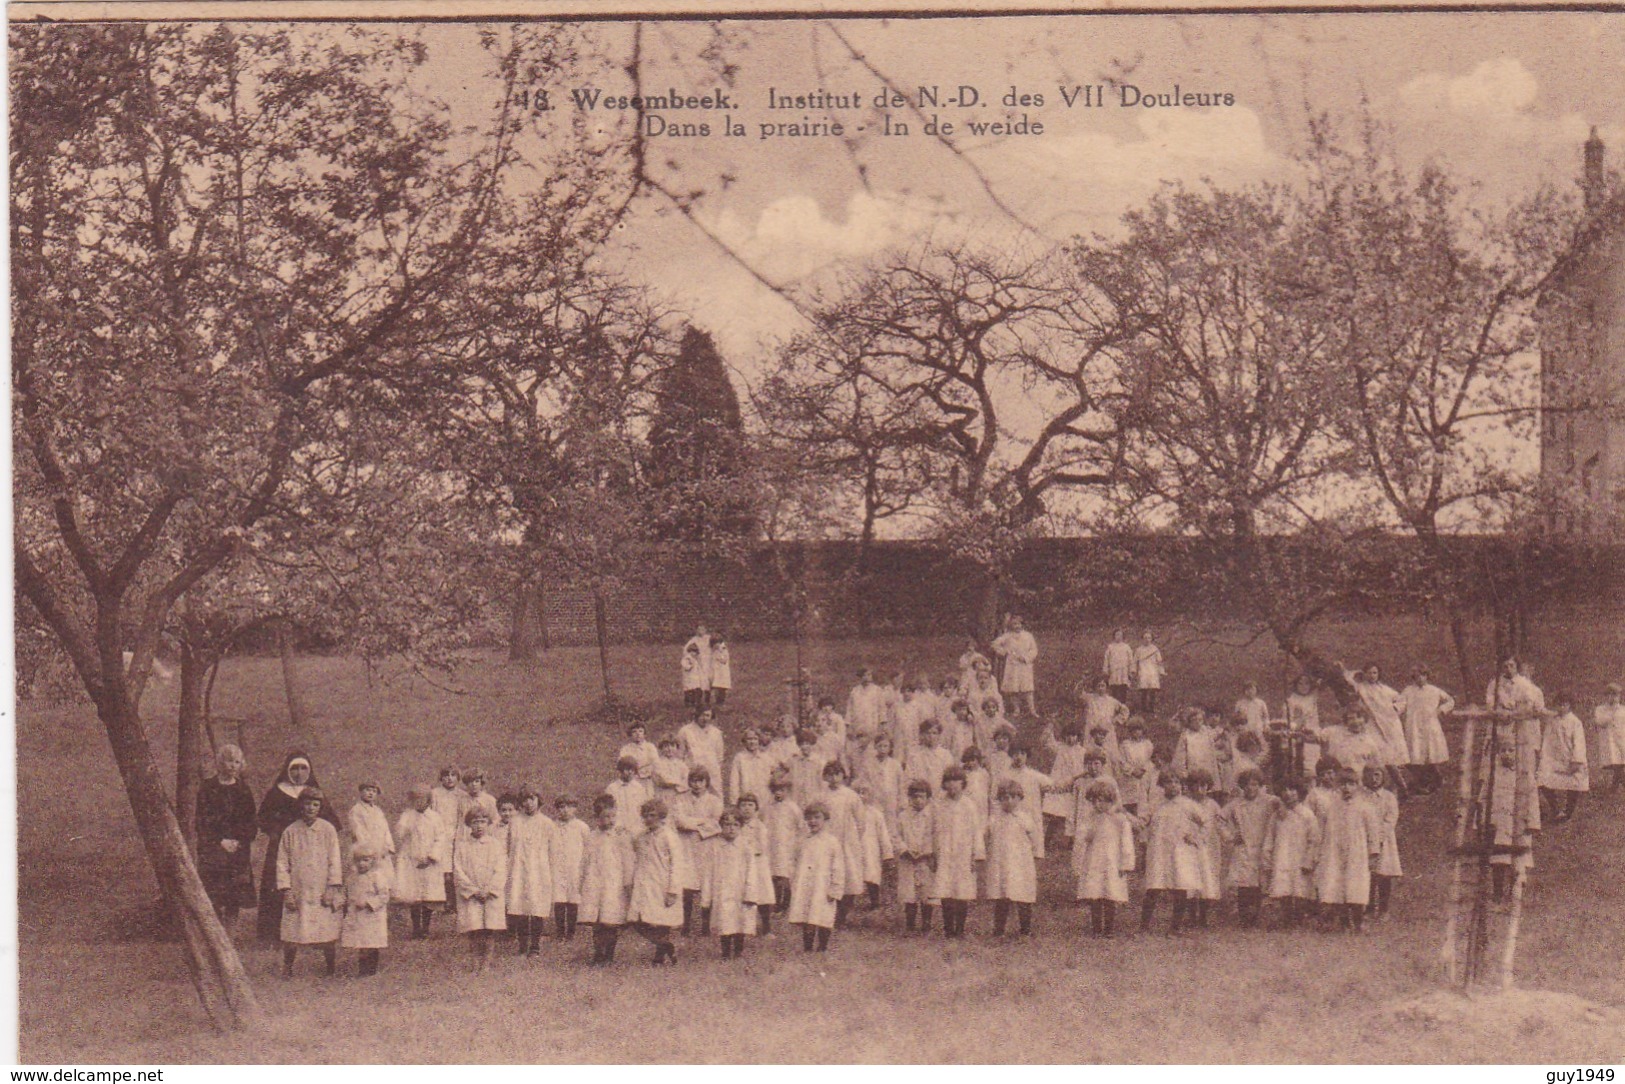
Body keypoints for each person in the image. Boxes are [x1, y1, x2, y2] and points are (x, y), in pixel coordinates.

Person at [257, 752, 338, 944]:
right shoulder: (277, 792)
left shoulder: (314, 793)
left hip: (311, 848)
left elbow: (331, 821)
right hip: (281, 847)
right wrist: (277, 831)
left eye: (303, 768)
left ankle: (316, 934)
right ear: (287, 770)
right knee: (279, 885)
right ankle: (273, 935)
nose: (299, 773)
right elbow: (263, 818)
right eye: (294, 768)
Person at [276, 786, 345, 977]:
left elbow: (335, 860)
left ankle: (330, 967)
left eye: (316, 805)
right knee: (292, 930)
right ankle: (288, 967)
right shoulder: (290, 831)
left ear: (320, 807)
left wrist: (333, 886)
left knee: (326, 931)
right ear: (300, 805)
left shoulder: (327, 830)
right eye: (307, 804)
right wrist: (286, 890)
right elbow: (282, 863)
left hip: (321, 888)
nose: (311, 808)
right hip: (298, 888)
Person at [195, 744, 256, 926]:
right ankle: (215, 932)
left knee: (233, 896)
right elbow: (201, 820)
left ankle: (230, 935)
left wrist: (238, 840)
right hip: (213, 848)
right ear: (220, 762)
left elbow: (251, 821)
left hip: (237, 850)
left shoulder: (243, 790)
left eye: (237, 762)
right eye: (229, 761)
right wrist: (219, 840)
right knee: (213, 894)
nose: (233, 766)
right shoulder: (207, 788)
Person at [1315, 768, 1380, 933]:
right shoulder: (1331, 807)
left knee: (1356, 886)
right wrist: (1319, 851)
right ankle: (1343, 922)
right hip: (1334, 851)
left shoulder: (1365, 807)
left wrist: (1373, 853)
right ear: (1338, 786)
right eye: (1343, 784)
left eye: (1351, 784)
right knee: (1338, 886)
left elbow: (1373, 833)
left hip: (1357, 852)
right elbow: (1321, 829)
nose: (1347, 788)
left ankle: (1358, 922)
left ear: (1357, 786)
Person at [629, 798, 690, 966]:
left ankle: (659, 956)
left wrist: (673, 890)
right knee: (638, 921)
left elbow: (677, 864)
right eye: (646, 816)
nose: (649, 819)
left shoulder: (669, 837)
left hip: (663, 884)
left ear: (661, 816)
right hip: (645, 883)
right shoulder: (641, 837)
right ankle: (667, 946)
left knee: (663, 923)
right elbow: (633, 850)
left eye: (653, 815)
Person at [1073, 779, 1135, 937]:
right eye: (1094, 801)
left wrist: (1125, 864)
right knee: (1095, 895)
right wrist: (1089, 834)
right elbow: (1082, 837)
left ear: (1110, 800)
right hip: (1094, 861)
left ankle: (1109, 929)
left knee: (1110, 894)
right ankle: (1096, 928)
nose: (1098, 805)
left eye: (1102, 801)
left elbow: (1126, 842)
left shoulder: (1119, 820)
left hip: (1113, 861)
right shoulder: (1090, 818)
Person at [580, 795, 636, 966]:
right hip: (595, 883)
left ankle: (609, 955)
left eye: (612, 816)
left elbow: (628, 860)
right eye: (605, 817)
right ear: (597, 818)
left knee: (611, 921)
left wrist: (628, 883)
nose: (609, 820)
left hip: (614, 884)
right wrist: (582, 880)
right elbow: (585, 860)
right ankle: (598, 953)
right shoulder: (592, 836)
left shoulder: (621, 836)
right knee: (597, 922)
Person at [932, 766, 985, 939]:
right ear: (944, 784)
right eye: (949, 781)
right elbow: (935, 830)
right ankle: (948, 928)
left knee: (962, 890)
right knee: (945, 889)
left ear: (963, 784)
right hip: (945, 850)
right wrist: (935, 853)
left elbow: (976, 831)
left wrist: (975, 855)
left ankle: (960, 928)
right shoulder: (940, 804)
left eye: (957, 781)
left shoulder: (969, 805)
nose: (953, 785)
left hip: (964, 852)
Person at [985, 780, 1043, 936]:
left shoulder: (1024, 818)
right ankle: (999, 930)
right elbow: (987, 836)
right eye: (1004, 797)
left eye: (1012, 797)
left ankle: (1025, 930)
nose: (1008, 801)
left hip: (1021, 863)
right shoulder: (994, 819)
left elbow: (1035, 840)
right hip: (1001, 862)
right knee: (1001, 896)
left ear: (1019, 798)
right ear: (999, 800)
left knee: (1023, 896)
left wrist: (1035, 855)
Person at [455, 806, 507, 971]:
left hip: (490, 894)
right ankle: (474, 962)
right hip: (471, 895)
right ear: (469, 824)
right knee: (474, 928)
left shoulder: (495, 845)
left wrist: (490, 889)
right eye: (475, 822)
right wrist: (473, 891)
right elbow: (458, 870)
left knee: (489, 929)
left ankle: (486, 964)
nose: (479, 826)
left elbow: (501, 869)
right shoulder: (462, 846)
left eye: (483, 822)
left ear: (489, 823)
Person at [788, 801, 845, 953]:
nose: (813, 821)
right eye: (809, 818)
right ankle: (807, 947)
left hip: (823, 886)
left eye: (817, 817)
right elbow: (794, 862)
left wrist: (835, 887)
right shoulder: (802, 841)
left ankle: (822, 947)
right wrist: (793, 881)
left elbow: (838, 867)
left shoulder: (832, 842)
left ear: (825, 820)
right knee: (807, 915)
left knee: (823, 915)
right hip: (805, 884)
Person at [1223, 769, 1277, 928]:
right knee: (1244, 882)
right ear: (1242, 787)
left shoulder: (1268, 801)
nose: (1250, 788)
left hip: (1262, 845)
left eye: (1254, 784)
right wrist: (1231, 835)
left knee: (1260, 881)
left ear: (1260, 786)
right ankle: (1244, 918)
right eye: (1246, 785)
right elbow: (1219, 819)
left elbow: (1283, 806)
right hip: (1244, 847)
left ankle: (1256, 916)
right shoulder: (1236, 804)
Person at [1262, 779, 1320, 928]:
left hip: (1300, 857)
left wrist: (1309, 859)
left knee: (1300, 888)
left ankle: (1300, 919)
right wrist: (1267, 858)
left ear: (1299, 792)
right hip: (1282, 856)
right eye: (1285, 790)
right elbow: (1270, 837)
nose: (1288, 794)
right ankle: (1285, 920)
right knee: (1284, 888)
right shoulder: (1277, 816)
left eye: (1292, 790)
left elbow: (1314, 840)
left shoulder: (1307, 815)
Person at [672, 767, 723, 936]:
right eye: (694, 781)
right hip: (686, 846)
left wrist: (694, 824)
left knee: (706, 885)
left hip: (707, 845)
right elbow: (679, 821)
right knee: (687, 885)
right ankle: (685, 924)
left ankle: (705, 925)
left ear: (707, 783)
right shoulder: (680, 799)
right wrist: (701, 822)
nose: (697, 785)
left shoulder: (714, 801)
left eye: (701, 781)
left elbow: (716, 823)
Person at [506, 787, 555, 957]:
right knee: (519, 908)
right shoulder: (514, 821)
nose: (529, 803)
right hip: (518, 868)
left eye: (532, 798)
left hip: (538, 870)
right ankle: (522, 945)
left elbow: (552, 850)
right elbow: (508, 847)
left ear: (538, 800)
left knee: (536, 907)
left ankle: (535, 946)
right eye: (525, 799)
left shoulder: (547, 823)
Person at [393, 785, 447, 940]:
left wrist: (432, 856)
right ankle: (416, 927)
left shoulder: (435, 817)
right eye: (415, 800)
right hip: (411, 861)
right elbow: (399, 835)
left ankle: (426, 927)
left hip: (429, 862)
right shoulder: (407, 816)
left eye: (422, 799)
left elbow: (441, 838)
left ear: (428, 800)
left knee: (428, 896)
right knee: (414, 896)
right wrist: (405, 826)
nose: (419, 802)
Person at [705, 810, 758, 959]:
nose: (731, 828)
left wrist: (750, 892)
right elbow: (709, 872)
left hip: (740, 891)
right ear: (721, 826)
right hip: (722, 890)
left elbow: (751, 871)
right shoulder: (715, 846)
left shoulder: (746, 847)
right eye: (727, 824)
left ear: (741, 827)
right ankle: (726, 952)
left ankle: (738, 951)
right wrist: (707, 897)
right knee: (724, 921)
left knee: (740, 921)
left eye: (735, 825)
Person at [1398, 667, 1454, 794]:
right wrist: (1396, 710)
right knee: (1415, 755)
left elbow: (1450, 700)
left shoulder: (1434, 690)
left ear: (1427, 676)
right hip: (1414, 725)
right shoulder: (1408, 691)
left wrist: (1442, 709)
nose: (1420, 678)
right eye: (1417, 676)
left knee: (1431, 753)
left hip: (1430, 724)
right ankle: (1423, 781)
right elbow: (1401, 704)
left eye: (1423, 675)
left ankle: (1434, 780)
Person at [341, 842, 391, 977]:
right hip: (357, 916)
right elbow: (346, 892)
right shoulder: (352, 878)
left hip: (372, 916)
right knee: (361, 943)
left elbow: (384, 895)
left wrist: (369, 903)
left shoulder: (377, 876)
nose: (362, 864)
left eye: (366, 860)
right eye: (358, 860)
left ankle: (371, 970)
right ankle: (363, 970)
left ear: (373, 861)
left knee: (372, 943)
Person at [895, 780, 938, 933]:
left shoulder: (933, 817)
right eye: (915, 797)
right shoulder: (903, 816)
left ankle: (926, 923)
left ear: (928, 798)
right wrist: (905, 849)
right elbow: (896, 836)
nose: (918, 800)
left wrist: (926, 851)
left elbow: (935, 837)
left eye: (922, 797)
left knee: (926, 892)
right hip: (908, 860)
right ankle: (910, 924)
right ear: (909, 798)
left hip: (925, 859)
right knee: (909, 893)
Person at [1539, 691, 1589, 823]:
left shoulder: (1575, 722)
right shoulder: (1552, 721)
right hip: (1554, 759)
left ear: (1570, 705)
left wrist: (1576, 760)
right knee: (1542, 780)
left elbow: (1579, 743)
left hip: (1570, 759)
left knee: (1573, 784)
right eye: (1559, 705)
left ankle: (1568, 813)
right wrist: (1544, 757)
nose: (1561, 707)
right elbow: (1546, 740)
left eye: (1564, 705)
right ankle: (1556, 809)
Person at [1361, 766, 1401, 921]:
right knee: (1369, 874)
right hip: (1366, 840)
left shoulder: (1389, 797)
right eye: (1370, 775)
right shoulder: (1362, 797)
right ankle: (1369, 908)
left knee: (1384, 874)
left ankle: (1384, 909)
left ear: (1383, 777)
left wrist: (1379, 837)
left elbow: (1391, 819)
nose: (1374, 779)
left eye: (1377, 775)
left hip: (1385, 842)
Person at [733, 793, 777, 934]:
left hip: (757, 865)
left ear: (756, 808)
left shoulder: (759, 827)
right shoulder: (736, 825)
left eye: (750, 805)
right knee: (743, 896)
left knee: (762, 897)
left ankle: (767, 928)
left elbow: (760, 847)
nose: (747, 808)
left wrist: (745, 850)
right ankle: (743, 926)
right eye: (743, 805)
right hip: (741, 865)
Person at [552, 795, 590, 942]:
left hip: (575, 867)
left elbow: (587, 848)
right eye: (561, 807)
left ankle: (571, 932)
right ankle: (560, 932)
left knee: (573, 900)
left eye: (569, 806)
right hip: (558, 867)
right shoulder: (552, 826)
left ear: (575, 808)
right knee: (559, 899)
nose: (565, 810)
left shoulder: (582, 827)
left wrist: (584, 867)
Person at [763, 775, 803, 915]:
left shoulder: (793, 808)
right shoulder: (768, 807)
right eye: (775, 790)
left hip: (787, 846)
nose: (778, 793)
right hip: (771, 845)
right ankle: (775, 902)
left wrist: (797, 844)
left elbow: (801, 827)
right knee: (773, 875)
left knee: (785, 876)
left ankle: (785, 904)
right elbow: (764, 824)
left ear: (788, 790)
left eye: (782, 790)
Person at [852, 782, 894, 912]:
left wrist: (888, 855)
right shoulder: (850, 813)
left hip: (871, 847)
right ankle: (849, 902)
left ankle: (874, 901)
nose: (861, 796)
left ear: (870, 796)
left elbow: (883, 835)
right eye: (858, 793)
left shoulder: (876, 814)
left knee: (871, 875)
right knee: (853, 874)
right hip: (855, 847)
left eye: (864, 793)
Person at [429, 766, 463, 915]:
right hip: (439, 835)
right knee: (441, 870)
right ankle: (441, 901)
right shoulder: (435, 794)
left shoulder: (461, 795)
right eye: (446, 775)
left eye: (453, 775)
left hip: (456, 835)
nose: (449, 778)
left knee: (455, 870)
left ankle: (454, 902)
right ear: (441, 778)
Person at [992, 615, 1039, 718]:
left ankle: (1032, 710)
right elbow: (995, 644)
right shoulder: (1007, 636)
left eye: (1019, 623)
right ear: (1011, 625)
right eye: (1014, 624)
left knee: (1028, 688)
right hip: (1012, 665)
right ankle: (1016, 709)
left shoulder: (1028, 636)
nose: (1017, 626)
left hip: (1025, 665)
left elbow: (1034, 650)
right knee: (1013, 688)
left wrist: (1026, 658)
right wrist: (1003, 652)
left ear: (1022, 624)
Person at [678, 709, 726, 794]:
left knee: (715, 796)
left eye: (708, 715)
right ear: (696, 715)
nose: (705, 718)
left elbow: (719, 756)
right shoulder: (685, 731)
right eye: (702, 715)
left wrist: (714, 768)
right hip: (691, 770)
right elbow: (679, 755)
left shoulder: (716, 733)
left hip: (712, 771)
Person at [728, 727, 776, 807]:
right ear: (744, 741)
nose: (752, 742)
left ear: (759, 740)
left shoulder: (767, 758)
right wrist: (734, 801)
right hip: (746, 799)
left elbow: (773, 779)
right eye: (749, 739)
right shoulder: (739, 758)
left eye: (755, 739)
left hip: (764, 799)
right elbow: (734, 781)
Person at [605, 756, 654, 836]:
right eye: (627, 770)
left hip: (636, 827)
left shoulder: (639, 788)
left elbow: (642, 808)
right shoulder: (612, 788)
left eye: (633, 770)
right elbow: (609, 810)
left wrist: (640, 825)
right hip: (617, 828)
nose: (630, 772)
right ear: (621, 770)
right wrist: (616, 825)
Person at [1117, 718, 1155, 816]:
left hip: (1143, 776)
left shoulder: (1147, 744)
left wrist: (1143, 770)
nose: (1136, 732)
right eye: (1133, 730)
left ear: (1143, 730)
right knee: (1129, 805)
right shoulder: (1125, 745)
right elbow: (1121, 761)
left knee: (1143, 803)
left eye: (1139, 729)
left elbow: (1150, 760)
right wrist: (1132, 771)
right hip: (1128, 778)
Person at [347, 781, 394, 860]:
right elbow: (359, 831)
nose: (371, 793)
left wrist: (388, 847)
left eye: (374, 791)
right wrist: (370, 850)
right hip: (365, 850)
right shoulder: (356, 810)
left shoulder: (378, 811)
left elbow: (385, 829)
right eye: (368, 790)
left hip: (382, 850)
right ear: (361, 792)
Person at [1596, 682, 1625, 791]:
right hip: (1609, 742)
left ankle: (1614, 789)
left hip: (1621, 740)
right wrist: (1612, 712)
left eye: (1615, 695)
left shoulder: (1623, 710)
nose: (1612, 698)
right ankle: (1614, 788)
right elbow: (1600, 722)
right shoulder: (1600, 709)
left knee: (1620, 764)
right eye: (1609, 695)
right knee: (1616, 764)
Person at [1132, 630, 1166, 715]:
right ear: (1142, 639)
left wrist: (1161, 671)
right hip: (1143, 670)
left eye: (1149, 638)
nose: (1147, 639)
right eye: (1145, 638)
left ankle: (1151, 708)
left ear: (1151, 639)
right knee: (1144, 690)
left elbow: (1159, 661)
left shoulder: (1155, 649)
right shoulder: (1139, 650)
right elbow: (1134, 661)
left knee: (1153, 690)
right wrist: (1133, 671)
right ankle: (1143, 708)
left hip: (1153, 671)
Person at [681, 624, 713, 714]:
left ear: (706, 629)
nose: (701, 631)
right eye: (699, 629)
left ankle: (707, 699)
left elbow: (717, 646)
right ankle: (693, 702)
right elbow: (686, 650)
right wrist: (691, 657)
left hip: (708, 662)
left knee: (707, 681)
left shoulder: (709, 639)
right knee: (697, 684)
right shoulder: (694, 640)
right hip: (698, 662)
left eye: (702, 629)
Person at [1103, 628, 1135, 706]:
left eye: (1120, 635)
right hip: (1114, 671)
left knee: (1123, 689)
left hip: (1123, 671)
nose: (1118, 637)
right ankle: (1114, 707)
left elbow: (1131, 660)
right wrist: (1106, 670)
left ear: (1123, 636)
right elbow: (1106, 659)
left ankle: (1122, 707)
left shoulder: (1127, 647)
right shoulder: (1110, 647)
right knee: (1114, 689)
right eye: (1117, 635)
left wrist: (1131, 670)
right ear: (1114, 636)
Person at [709, 634, 732, 710]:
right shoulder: (714, 650)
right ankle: (714, 702)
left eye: (717, 643)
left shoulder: (723, 649)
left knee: (722, 688)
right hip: (715, 672)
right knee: (715, 687)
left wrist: (718, 655)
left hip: (722, 673)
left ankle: (720, 703)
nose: (715, 646)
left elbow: (724, 660)